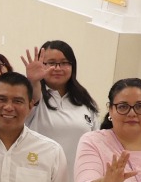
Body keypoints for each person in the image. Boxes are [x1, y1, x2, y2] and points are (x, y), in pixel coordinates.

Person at [22, 41, 100, 173]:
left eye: (64, 63)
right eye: (51, 63)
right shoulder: (34, 97)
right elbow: (33, 97)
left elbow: (95, 141)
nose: (58, 68)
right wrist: (33, 81)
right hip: (38, 175)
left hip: (74, 180)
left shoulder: (84, 101)